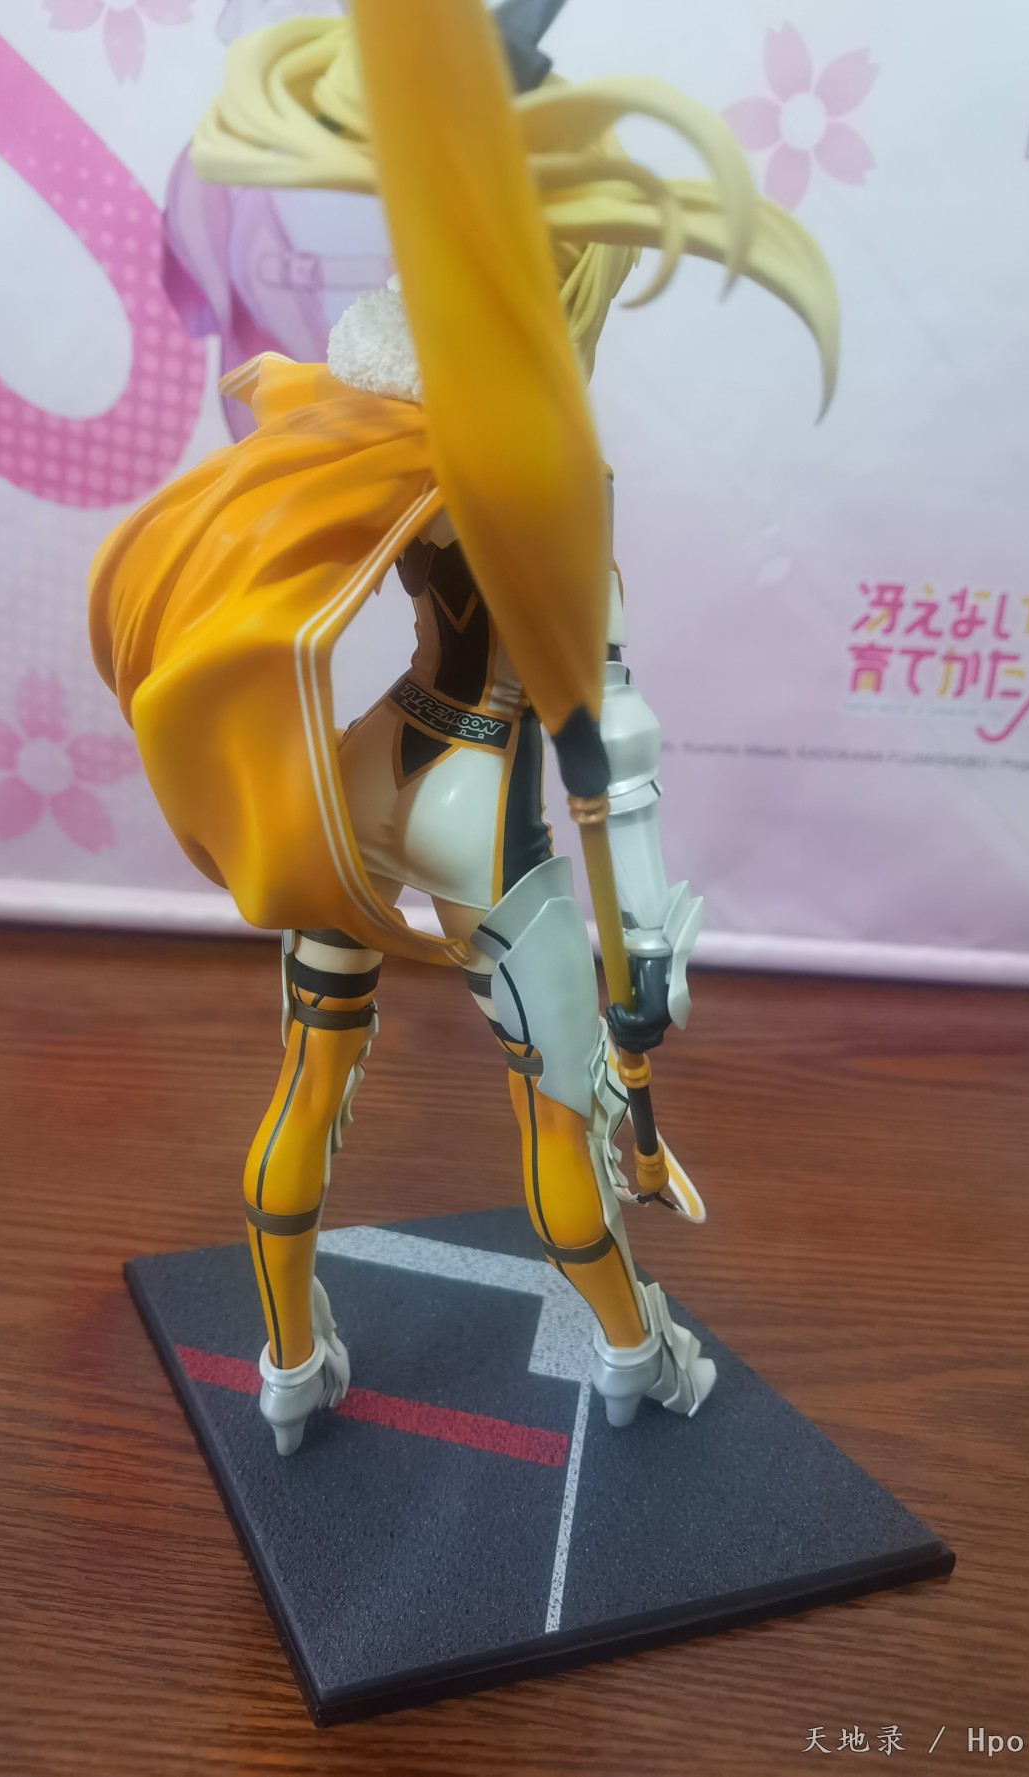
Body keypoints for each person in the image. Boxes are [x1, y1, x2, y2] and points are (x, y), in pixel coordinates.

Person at [89, 0, 837, 1453]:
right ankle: (636, 1352)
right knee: (564, 1112)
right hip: (480, 800)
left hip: (368, 767)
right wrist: (640, 967)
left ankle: (288, 1362)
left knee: (312, 1070)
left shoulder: (372, 409)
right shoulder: (543, 473)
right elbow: (608, 744)